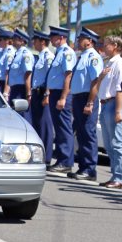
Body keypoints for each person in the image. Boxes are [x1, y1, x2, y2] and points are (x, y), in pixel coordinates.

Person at [97, 35, 122, 190]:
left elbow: (120, 89)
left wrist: (118, 111)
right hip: (104, 104)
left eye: (107, 44)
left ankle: (120, 177)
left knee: (116, 143)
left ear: (116, 45)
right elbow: (100, 85)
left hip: (113, 104)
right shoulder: (108, 63)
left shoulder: (121, 64)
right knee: (109, 144)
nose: (104, 47)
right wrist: (101, 77)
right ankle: (114, 175)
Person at [69, 28, 103, 181]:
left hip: (87, 98)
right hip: (78, 97)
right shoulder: (82, 56)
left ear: (89, 41)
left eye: (81, 38)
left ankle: (90, 169)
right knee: (81, 133)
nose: (78, 40)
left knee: (88, 133)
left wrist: (90, 102)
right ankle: (83, 167)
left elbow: (95, 81)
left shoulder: (93, 57)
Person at [46, 25, 77, 174]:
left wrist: (63, 97)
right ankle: (61, 159)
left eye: (54, 37)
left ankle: (65, 161)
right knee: (59, 128)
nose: (51, 39)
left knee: (64, 128)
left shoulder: (67, 53)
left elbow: (68, 76)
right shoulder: (58, 53)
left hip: (61, 93)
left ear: (62, 38)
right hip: (54, 92)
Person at [30, 30, 55, 167]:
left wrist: (47, 94)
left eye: (36, 41)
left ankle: (47, 157)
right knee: (37, 124)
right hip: (36, 92)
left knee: (45, 126)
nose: (34, 43)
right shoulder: (40, 56)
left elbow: (49, 77)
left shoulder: (48, 56)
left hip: (42, 92)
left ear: (43, 42)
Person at [5, 29, 34, 120]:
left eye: (15, 38)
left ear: (21, 41)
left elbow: (28, 74)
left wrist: (28, 93)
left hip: (21, 90)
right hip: (15, 89)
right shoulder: (17, 54)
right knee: (15, 117)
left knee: (22, 117)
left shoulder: (25, 54)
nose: (12, 40)